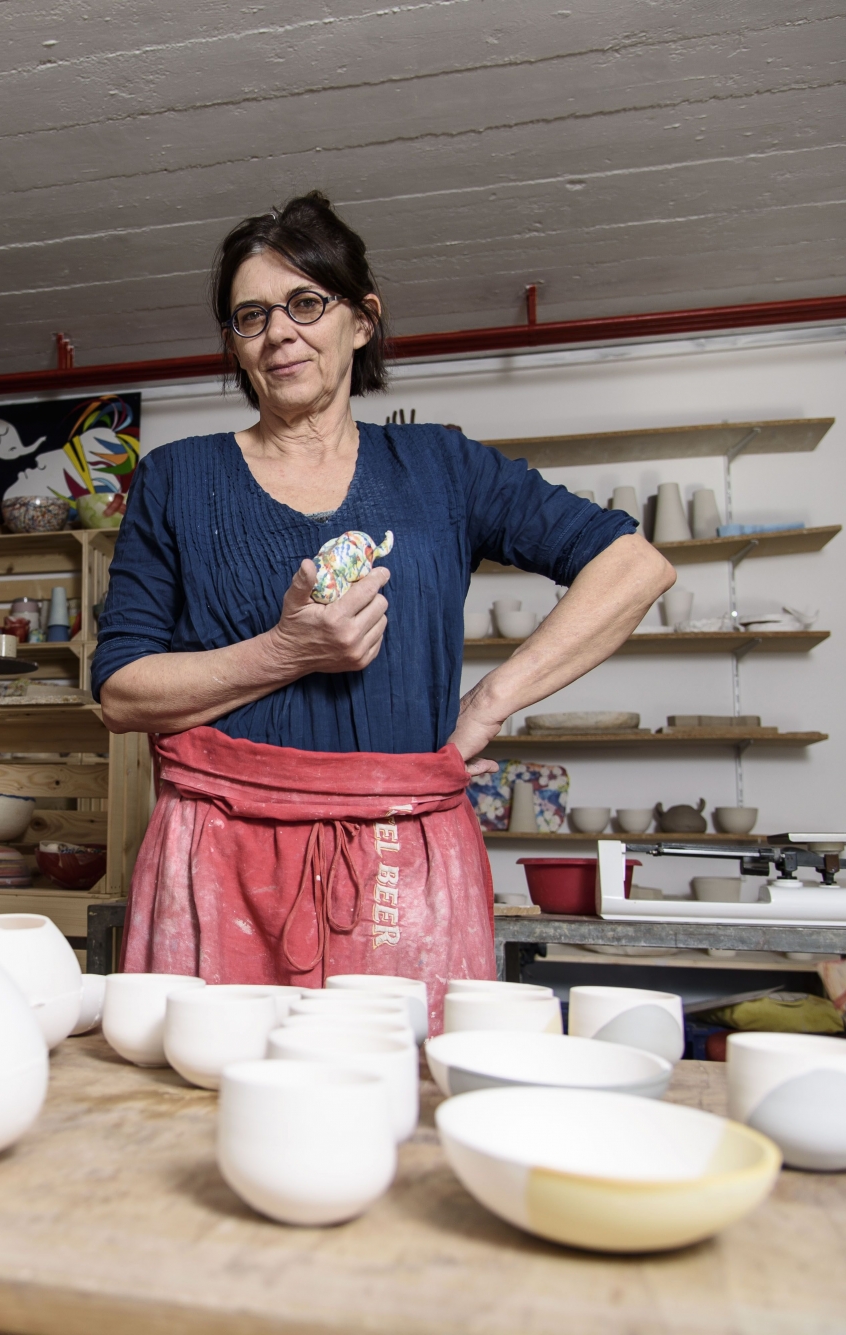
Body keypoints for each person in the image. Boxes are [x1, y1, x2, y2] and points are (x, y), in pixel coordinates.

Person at [92, 193, 675, 1026]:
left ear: (361, 321)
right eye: (250, 316)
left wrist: (487, 705)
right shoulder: (177, 479)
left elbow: (632, 565)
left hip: (405, 857)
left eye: (305, 303)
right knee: (202, 1101)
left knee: (397, 1103)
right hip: (217, 860)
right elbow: (121, 694)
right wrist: (290, 650)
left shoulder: (440, 466)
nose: (279, 332)